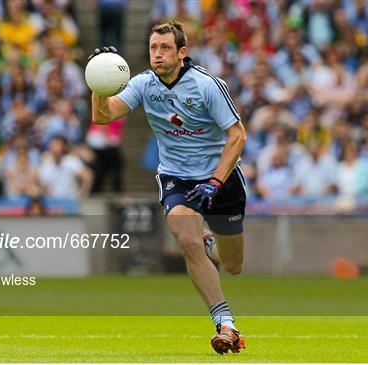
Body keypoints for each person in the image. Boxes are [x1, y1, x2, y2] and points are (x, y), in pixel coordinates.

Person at [89, 22, 247, 354]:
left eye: (164, 48)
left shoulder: (206, 86)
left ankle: (211, 241)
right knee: (186, 239)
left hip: (220, 178)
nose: (157, 54)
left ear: (181, 53)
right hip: (177, 177)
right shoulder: (144, 84)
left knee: (233, 264)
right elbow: (104, 117)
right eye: (153, 48)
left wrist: (216, 181)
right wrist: (97, 83)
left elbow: (238, 136)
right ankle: (226, 324)